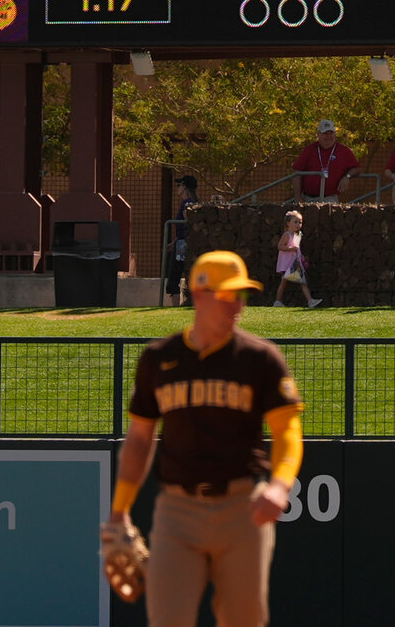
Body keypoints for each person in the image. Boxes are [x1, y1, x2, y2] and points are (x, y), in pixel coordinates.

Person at [106, 251, 304, 627]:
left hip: (242, 510)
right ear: (199, 295)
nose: (237, 305)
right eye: (228, 295)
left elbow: (288, 431)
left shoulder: (260, 358)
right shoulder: (160, 359)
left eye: (241, 296)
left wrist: (280, 485)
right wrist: (119, 512)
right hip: (177, 512)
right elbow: (139, 439)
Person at [291, 120, 358, 204]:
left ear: (335, 134)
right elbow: (297, 172)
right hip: (308, 199)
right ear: (318, 134)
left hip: (330, 199)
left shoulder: (344, 151)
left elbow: (356, 168)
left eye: (331, 133)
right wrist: (297, 197)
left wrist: (347, 176)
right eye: (325, 133)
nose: (328, 136)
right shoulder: (309, 150)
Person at [271, 209, 320, 308]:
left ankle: (310, 301)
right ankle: (278, 301)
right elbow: (280, 246)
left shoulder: (297, 235)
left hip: (295, 264)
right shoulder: (286, 235)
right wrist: (291, 249)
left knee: (303, 282)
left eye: (300, 222)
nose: (298, 224)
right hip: (287, 264)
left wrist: (301, 256)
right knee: (284, 282)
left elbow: (297, 249)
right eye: (295, 222)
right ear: (288, 223)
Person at [164, 175, 200, 305]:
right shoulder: (193, 202)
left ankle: (176, 306)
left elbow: (187, 224)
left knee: (174, 278)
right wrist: (175, 241)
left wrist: (180, 241)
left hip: (182, 245)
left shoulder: (187, 204)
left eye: (179, 185)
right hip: (180, 242)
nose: (177, 188)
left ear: (184, 187)